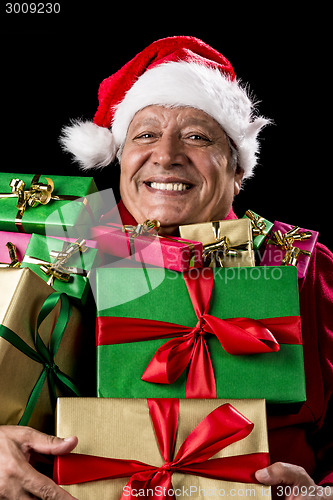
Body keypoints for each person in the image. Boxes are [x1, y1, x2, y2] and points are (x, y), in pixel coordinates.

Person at [0, 36, 332, 500]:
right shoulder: (46, 245)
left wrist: (321, 496)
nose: (166, 154)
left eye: (197, 136)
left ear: (238, 170)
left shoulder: (302, 264)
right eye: (145, 135)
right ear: (119, 158)